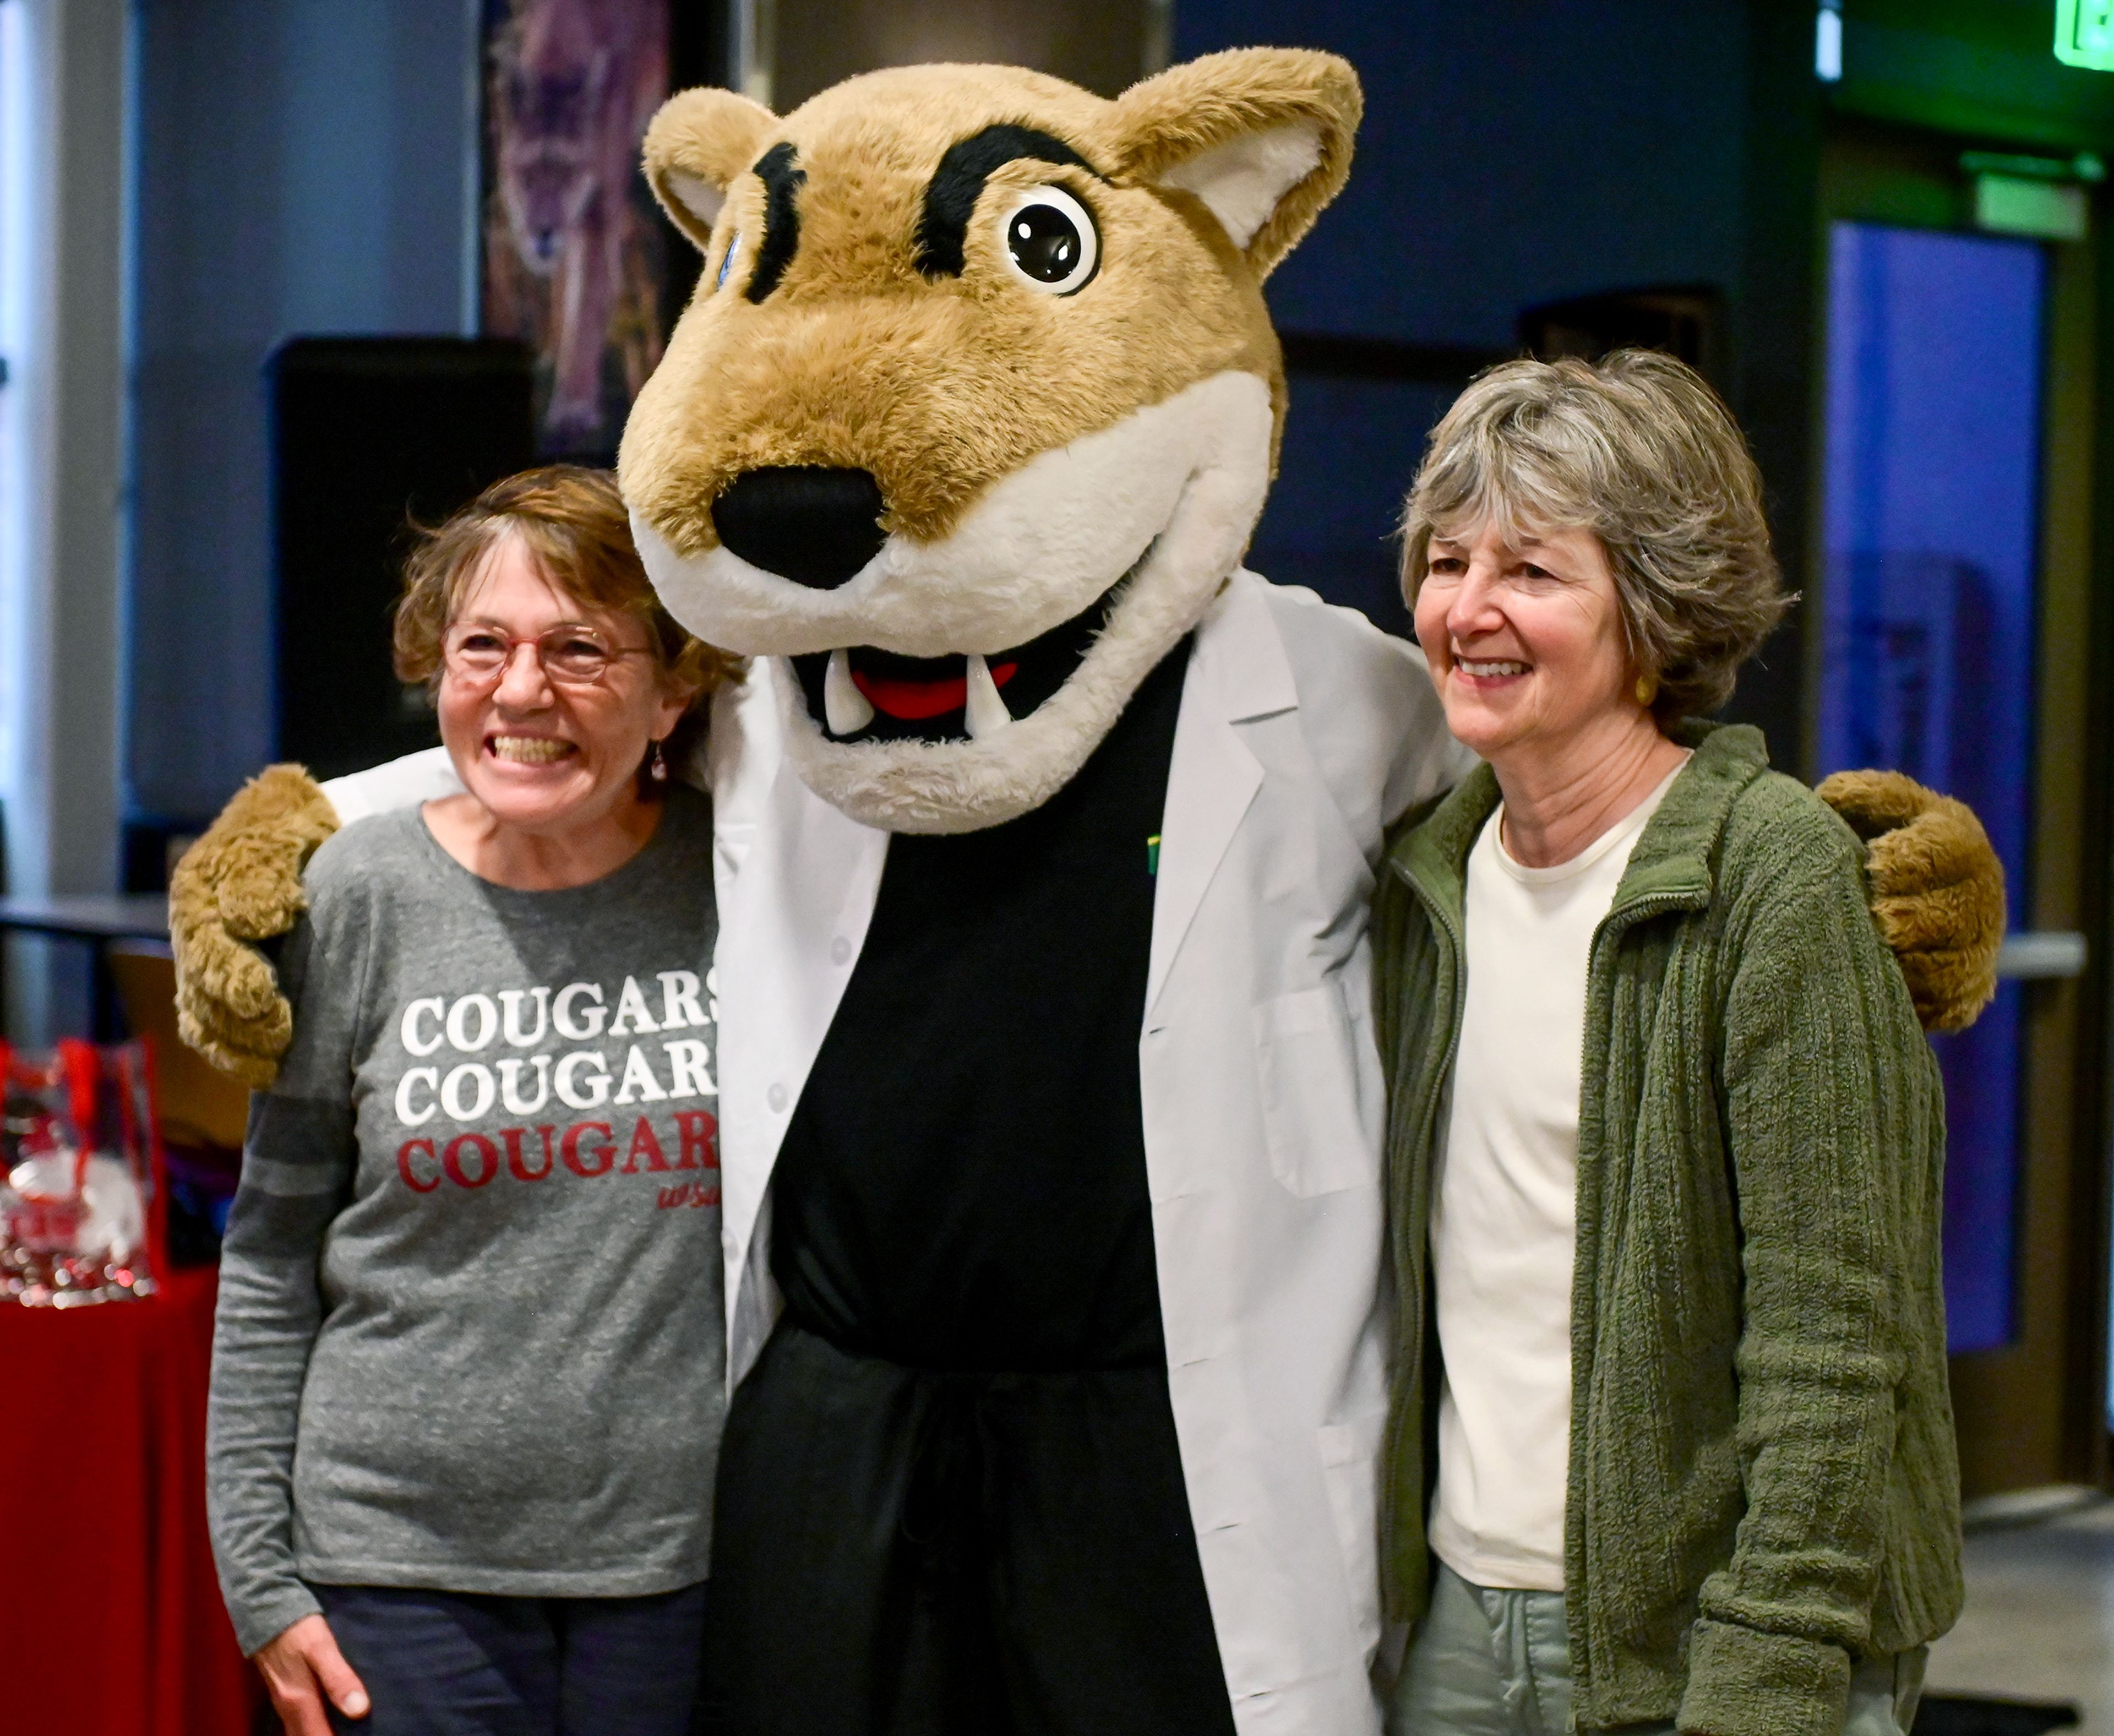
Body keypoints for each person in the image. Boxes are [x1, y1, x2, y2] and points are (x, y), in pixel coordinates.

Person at [1373, 352, 1965, 1736]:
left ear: (1654, 607)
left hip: (1715, 1627)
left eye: (1532, 570)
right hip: (1462, 1615)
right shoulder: (1425, 878)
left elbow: (1840, 1338)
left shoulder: (1777, 878)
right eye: (1447, 559)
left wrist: (1769, 1667)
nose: (1469, 610)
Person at [206, 466, 738, 1736]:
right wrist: (261, 1578)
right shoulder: (356, 894)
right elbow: (271, 1255)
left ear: (672, 687)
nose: (518, 691)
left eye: (580, 650)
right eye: (481, 645)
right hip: (391, 1567)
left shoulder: (743, 877)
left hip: (677, 1566)